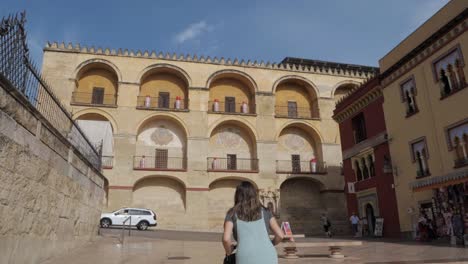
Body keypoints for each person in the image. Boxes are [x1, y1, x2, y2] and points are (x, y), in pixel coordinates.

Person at [222, 181, 284, 264]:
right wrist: (272, 243)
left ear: (237, 195)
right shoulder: (266, 211)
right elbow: (280, 235)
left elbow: (226, 239)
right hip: (268, 256)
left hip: (245, 257)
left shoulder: (232, 213)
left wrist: (229, 252)